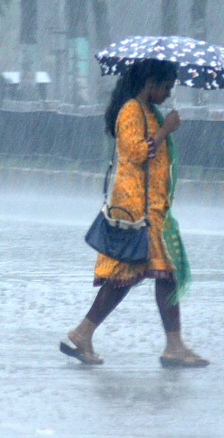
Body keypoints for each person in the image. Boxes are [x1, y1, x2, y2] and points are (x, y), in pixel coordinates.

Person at [60, 58, 209, 368]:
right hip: (137, 208)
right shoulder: (130, 110)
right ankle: (168, 345)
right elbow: (137, 152)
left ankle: (88, 333)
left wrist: (163, 127)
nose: (168, 93)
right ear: (149, 83)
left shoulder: (147, 111)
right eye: (165, 86)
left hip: (152, 206)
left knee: (142, 276)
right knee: (144, 275)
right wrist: (165, 130)